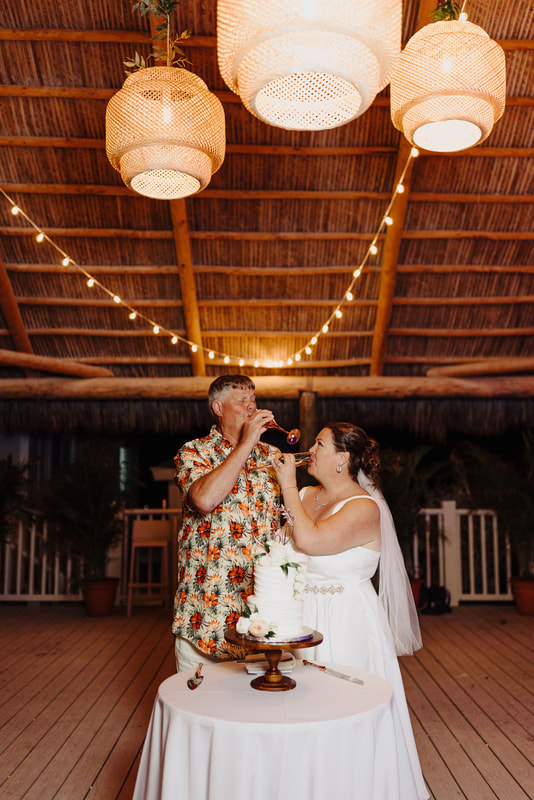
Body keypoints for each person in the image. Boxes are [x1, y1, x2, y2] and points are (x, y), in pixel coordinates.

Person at [273, 422, 429, 800]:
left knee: (341, 715)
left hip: (346, 625)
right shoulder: (308, 493)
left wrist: (286, 484)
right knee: (294, 715)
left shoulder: (364, 508)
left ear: (343, 458)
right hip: (299, 619)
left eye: (320, 444)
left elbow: (308, 541)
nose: (311, 448)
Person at [172, 374, 281, 672]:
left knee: (263, 712)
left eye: (253, 399)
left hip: (262, 615)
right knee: (198, 711)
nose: (251, 407)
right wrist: (246, 444)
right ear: (218, 409)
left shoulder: (272, 456)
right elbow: (204, 500)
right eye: (241, 400)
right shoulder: (193, 452)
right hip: (206, 616)